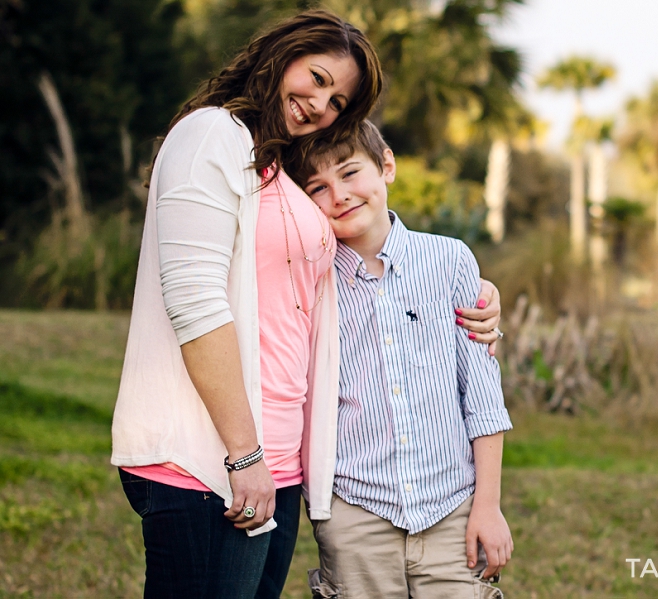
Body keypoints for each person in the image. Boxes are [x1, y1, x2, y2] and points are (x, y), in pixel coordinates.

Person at [110, 10, 501, 598]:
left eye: (338, 101)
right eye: (316, 77)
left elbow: (329, 279)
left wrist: (468, 289)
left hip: (279, 463)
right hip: (209, 460)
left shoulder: (273, 162)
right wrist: (244, 456)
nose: (320, 104)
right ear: (282, 54)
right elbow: (193, 299)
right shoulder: (212, 133)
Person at [295, 120, 513, 598]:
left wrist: (488, 505)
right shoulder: (311, 278)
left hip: (451, 507)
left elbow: (481, 393)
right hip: (355, 510)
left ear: (386, 166)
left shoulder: (450, 261)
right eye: (318, 187)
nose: (339, 195)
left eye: (351, 173)